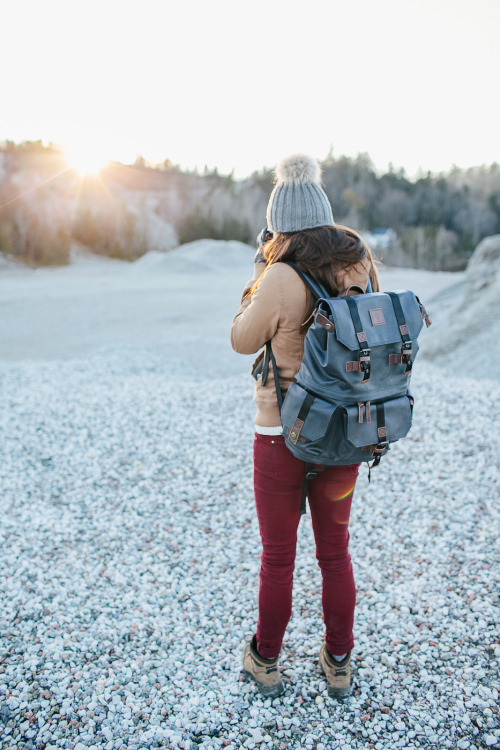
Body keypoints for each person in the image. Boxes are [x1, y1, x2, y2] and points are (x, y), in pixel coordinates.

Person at [230, 154, 380, 700]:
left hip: (280, 435)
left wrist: (257, 275)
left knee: (278, 555)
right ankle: (339, 661)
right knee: (335, 551)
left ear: (279, 226)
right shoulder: (358, 262)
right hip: (345, 431)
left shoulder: (277, 275)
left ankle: (266, 660)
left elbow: (241, 339)